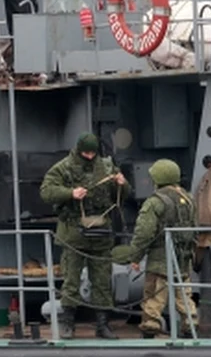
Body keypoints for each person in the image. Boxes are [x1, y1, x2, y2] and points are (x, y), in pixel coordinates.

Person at [39, 133, 127, 339]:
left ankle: (102, 325)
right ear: (79, 150)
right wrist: (70, 193)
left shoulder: (106, 167)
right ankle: (68, 324)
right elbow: (46, 192)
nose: (89, 156)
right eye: (86, 152)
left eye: (92, 153)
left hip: (101, 233)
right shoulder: (63, 167)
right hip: (73, 233)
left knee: (102, 280)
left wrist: (122, 184)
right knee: (71, 278)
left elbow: (121, 196)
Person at [112, 159, 198, 338]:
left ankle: (150, 330)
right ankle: (190, 326)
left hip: (159, 260)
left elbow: (144, 232)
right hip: (182, 259)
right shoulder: (188, 199)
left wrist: (135, 257)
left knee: (154, 297)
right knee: (183, 295)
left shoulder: (155, 202)